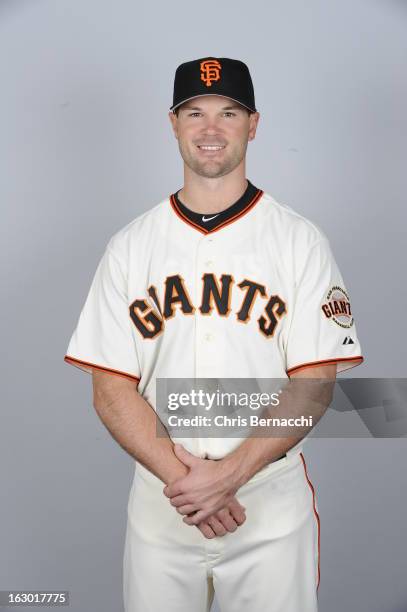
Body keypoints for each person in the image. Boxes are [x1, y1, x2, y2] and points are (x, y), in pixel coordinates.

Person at [64, 56, 364, 612]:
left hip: (268, 506)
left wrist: (229, 475)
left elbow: (315, 383)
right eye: (194, 112)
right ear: (173, 124)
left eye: (229, 112)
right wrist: (192, 483)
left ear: (254, 125)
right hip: (163, 505)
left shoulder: (300, 241)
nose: (210, 128)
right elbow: (110, 386)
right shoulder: (130, 246)